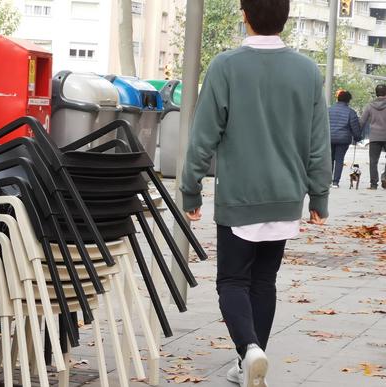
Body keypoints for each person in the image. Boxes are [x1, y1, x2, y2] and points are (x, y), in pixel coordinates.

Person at [179, 0, 331, 386]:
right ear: (286, 18)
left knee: (232, 282)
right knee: (264, 282)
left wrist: (190, 189)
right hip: (285, 198)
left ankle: (249, 350)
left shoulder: (226, 66)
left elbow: (203, 137)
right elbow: (318, 141)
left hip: (240, 198)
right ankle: (251, 359)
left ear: (244, 15)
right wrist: (319, 197)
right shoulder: (308, 71)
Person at [328, 91, 362, 188]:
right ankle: (335, 182)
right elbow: (355, 127)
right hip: (343, 140)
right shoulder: (351, 112)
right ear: (348, 100)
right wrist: (357, 137)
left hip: (329, 138)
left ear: (338, 98)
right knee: (339, 160)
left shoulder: (328, 110)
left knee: (329, 159)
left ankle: (327, 181)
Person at [359, 84, 386, 189]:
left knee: (373, 161)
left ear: (376, 93)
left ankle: (373, 184)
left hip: (375, 136)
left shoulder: (370, 106)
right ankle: (385, 178)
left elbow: (362, 121)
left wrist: (356, 133)